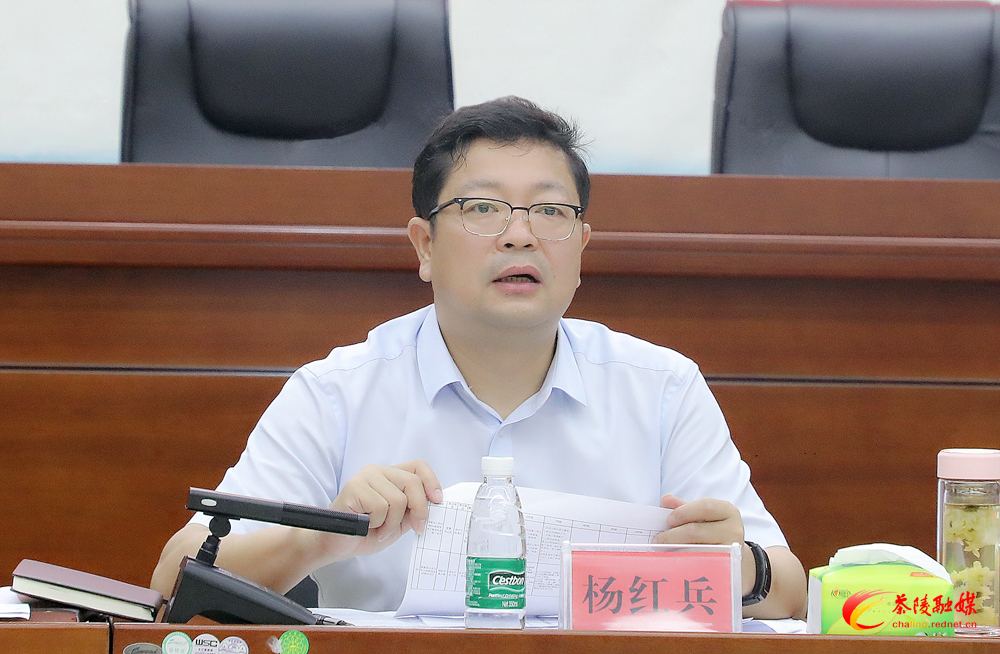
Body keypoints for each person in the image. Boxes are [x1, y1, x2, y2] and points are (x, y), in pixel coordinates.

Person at [151, 96, 807, 619]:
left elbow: (790, 590)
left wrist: (738, 566)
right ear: (424, 245)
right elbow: (173, 579)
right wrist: (319, 537)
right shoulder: (337, 392)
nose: (520, 234)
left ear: (581, 246)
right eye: (483, 208)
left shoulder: (661, 388)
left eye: (550, 211)